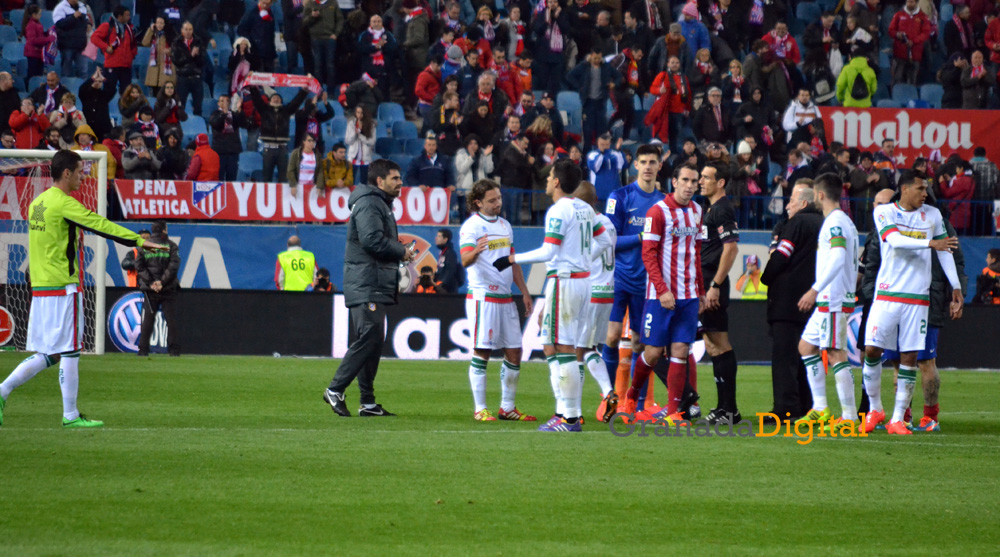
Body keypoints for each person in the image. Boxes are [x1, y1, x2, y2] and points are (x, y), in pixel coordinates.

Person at [0, 150, 165, 428]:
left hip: (40, 288)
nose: (82, 176)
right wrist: (137, 240)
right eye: (78, 171)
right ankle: (71, 415)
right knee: (71, 350)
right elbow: (99, 224)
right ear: (66, 173)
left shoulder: (37, 204)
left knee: (49, 353)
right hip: (63, 287)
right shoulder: (64, 204)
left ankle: (2, 391)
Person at [493, 160, 612, 431]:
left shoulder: (559, 210)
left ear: (557, 181)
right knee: (556, 345)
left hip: (566, 282)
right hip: (580, 282)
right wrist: (582, 260)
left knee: (565, 347)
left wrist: (512, 258)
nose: (546, 181)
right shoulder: (584, 208)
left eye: (549, 177)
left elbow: (548, 252)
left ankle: (570, 417)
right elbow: (604, 241)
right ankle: (564, 412)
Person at [861, 172, 963, 435]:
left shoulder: (933, 215)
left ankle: (897, 418)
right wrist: (931, 242)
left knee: (909, 358)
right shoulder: (884, 213)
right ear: (904, 189)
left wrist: (956, 286)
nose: (925, 193)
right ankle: (875, 409)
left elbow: (945, 252)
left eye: (926, 189)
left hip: (917, 299)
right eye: (920, 188)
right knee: (872, 349)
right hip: (886, 295)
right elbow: (895, 241)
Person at [323, 159, 415, 417]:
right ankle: (335, 389)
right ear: (379, 181)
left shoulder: (379, 204)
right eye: (395, 178)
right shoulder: (370, 203)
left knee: (373, 341)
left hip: (373, 281)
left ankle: (368, 403)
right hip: (366, 281)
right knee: (371, 337)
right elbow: (372, 240)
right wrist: (401, 251)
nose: (400, 183)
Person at [618, 163, 703, 425]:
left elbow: (696, 253)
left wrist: (699, 290)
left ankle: (674, 411)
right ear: (674, 182)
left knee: (680, 350)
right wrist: (662, 290)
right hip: (660, 297)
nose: (690, 185)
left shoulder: (698, 211)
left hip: (688, 296)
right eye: (685, 180)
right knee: (653, 353)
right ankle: (632, 395)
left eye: (694, 181)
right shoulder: (658, 212)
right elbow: (648, 254)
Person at [459, 180, 536, 421]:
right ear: (478, 203)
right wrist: (476, 251)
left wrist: (523, 291)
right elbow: (464, 260)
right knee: (482, 350)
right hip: (484, 296)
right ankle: (480, 408)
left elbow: (512, 263)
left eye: (499, 198)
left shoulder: (505, 226)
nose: (498, 203)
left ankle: (507, 407)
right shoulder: (471, 227)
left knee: (515, 351)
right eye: (492, 200)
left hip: (505, 297)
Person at [793, 173, 861, 428]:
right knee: (806, 347)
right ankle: (821, 407)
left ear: (820, 195)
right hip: (828, 299)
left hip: (831, 298)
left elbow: (838, 257)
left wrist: (814, 289)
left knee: (835, 353)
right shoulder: (844, 221)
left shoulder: (835, 222)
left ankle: (849, 416)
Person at [602, 144, 664, 413]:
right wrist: (642, 237)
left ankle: (637, 403)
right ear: (635, 165)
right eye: (643, 162)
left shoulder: (664, 202)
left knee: (640, 342)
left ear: (659, 166)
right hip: (618, 279)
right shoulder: (620, 196)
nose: (648, 166)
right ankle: (609, 397)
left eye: (653, 162)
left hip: (647, 283)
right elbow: (608, 239)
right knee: (613, 336)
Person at [760, 173, 822, 425]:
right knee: (807, 356)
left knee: (784, 357)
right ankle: (808, 405)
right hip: (814, 299)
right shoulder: (825, 224)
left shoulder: (796, 224)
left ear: (804, 204)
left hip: (788, 301)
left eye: (792, 201)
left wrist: (766, 277)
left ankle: (785, 408)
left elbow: (782, 255)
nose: (787, 206)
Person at [698, 161, 742, 424]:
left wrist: (714, 285)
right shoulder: (711, 209)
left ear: (721, 182)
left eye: (706, 177)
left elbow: (731, 248)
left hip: (711, 284)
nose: (700, 181)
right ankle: (726, 409)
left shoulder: (722, 209)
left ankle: (728, 409)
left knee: (719, 344)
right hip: (707, 283)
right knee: (713, 345)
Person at [573, 180, 619, 422]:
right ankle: (608, 392)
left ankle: (575, 412)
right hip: (607, 292)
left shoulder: (586, 224)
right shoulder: (609, 223)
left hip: (590, 291)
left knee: (576, 352)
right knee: (590, 349)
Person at [135, 221, 181, 357]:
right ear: (164, 230)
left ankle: (143, 350)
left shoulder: (145, 247)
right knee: (171, 320)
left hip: (150, 290)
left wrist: (151, 282)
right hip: (168, 288)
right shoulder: (171, 246)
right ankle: (174, 351)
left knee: (148, 320)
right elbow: (173, 266)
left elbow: (139, 267)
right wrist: (161, 282)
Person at [249, 85, 310, 182]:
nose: (276, 99)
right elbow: (256, 99)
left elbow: (296, 102)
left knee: (283, 178)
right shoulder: (264, 110)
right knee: (267, 178)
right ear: (269, 101)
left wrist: (304, 91)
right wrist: (252, 87)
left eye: (278, 98)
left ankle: (283, 197)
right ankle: (267, 197)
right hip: (268, 149)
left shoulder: (286, 111)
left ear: (281, 102)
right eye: (273, 98)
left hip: (282, 150)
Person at [90, 6, 138, 95]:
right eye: (127, 15)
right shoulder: (107, 26)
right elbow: (94, 38)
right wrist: (106, 47)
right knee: (109, 91)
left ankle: (124, 109)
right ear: (120, 16)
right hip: (112, 64)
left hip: (126, 65)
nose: (129, 17)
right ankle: (103, 108)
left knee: (126, 93)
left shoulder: (129, 29)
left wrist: (132, 55)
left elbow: (134, 44)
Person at [303, 0, 345, 93]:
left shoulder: (333, 3)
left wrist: (336, 33)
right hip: (316, 38)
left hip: (330, 38)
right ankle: (319, 92)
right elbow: (304, 22)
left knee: (330, 65)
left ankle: (331, 92)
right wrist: (312, 16)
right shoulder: (310, 4)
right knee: (318, 66)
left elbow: (340, 19)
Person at [888, 0, 932, 85]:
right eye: (908, 2)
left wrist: (914, 41)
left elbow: (926, 33)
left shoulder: (923, 17)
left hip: (915, 54)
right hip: (900, 54)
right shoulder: (899, 15)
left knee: (912, 81)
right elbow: (891, 30)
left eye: (911, 2)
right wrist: (897, 34)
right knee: (898, 79)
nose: (909, 4)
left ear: (916, 3)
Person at [209, 94, 250, 182]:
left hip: (233, 151)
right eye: (222, 101)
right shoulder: (215, 114)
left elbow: (243, 124)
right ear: (218, 103)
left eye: (227, 101)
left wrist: (240, 111)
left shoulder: (234, 115)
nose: (225, 103)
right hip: (219, 151)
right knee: (219, 177)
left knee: (231, 178)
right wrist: (224, 113)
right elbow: (216, 124)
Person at [172, 22, 207, 118]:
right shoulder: (176, 42)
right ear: (182, 30)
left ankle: (199, 129)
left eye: (190, 29)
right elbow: (176, 61)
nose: (188, 32)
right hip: (183, 78)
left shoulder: (198, 42)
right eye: (186, 29)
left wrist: (197, 55)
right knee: (180, 106)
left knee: (198, 107)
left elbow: (202, 61)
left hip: (196, 78)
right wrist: (190, 55)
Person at [53, 0, 92, 78]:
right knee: (66, 72)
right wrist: (73, 17)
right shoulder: (61, 8)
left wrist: (88, 24)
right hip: (67, 45)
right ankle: (66, 89)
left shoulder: (82, 6)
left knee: (83, 72)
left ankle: (82, 89)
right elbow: (60, 24)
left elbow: (86, 19)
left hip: (81, 44)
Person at [141, 16, 177, 98]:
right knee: (155, 94)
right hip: (155, 68)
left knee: (165, 94)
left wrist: (169, 50)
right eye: (157, 23)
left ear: (165, 24)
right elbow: (145, 43)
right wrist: (150, 30)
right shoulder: (154, 34)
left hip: (166, 68)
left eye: (161, 23)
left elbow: (177, 48)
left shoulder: (171, 34)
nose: (159, 25)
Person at [238, 0, 278, 71]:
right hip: (255, 51)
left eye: (268, 4)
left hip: (268, 52)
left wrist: (273, 54)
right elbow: (241, 30)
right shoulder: (251, 13)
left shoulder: (270, 14)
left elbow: (271, 35)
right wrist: (251, 41)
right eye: (264, 3)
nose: (265, 6)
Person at [586, 134, 625, 204]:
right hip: (598, 196)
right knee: (598, 214)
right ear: (598, 144)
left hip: (612, 196)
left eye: (606, 144)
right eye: (602, 144)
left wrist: (618, 150)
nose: (604, 147)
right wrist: (601, 153)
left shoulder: (615, 154)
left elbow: (621, 167)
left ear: (609, 144)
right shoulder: (592, 154)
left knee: (611, 214)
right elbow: (595, 168)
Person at [23, 6, 56, 83]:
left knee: (38, 74)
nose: (40, 16)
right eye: (39, 14)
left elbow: (39, 36)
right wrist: (47, 39)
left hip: (38, 53)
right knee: (33, 75)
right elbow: (33, 40)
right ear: (34, 14)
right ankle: (30, 89)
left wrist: (47, 33)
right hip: (33, 53)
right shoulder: (31, 25)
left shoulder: (37, 23)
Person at [345, 104, 376, 185]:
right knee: (350, 180)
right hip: (353, 158)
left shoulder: (371, 125)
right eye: (358, 112)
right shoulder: (351, 124)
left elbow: (372, 142)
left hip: (365, 158)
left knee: (364, 182)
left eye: (361, 113)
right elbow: (348, 141)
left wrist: (360, 136)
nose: (359, 115)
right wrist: (355, 134)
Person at [434, 229, 463, 294]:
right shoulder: (443, 252)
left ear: (445, 239)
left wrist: (442, 282)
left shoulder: (450, 253)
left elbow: (450, 270)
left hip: (448, 290)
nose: (436, 238)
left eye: (439, 236)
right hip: (443, 287)